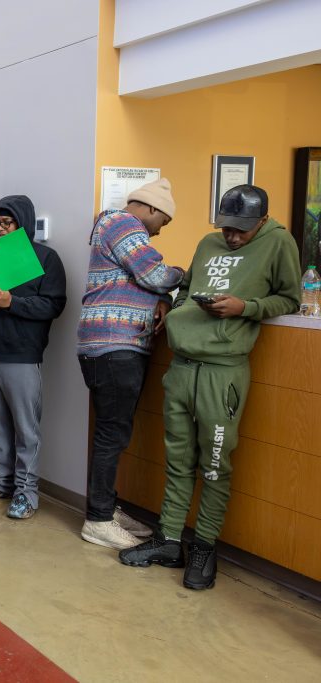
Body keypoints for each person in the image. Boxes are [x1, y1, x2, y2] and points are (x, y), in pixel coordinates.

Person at [119, 185, 300, 590]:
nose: (232, 236)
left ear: (263, 222)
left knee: (215, 465)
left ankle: (203, 547)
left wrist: (245, 307)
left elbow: (289, 299)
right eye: (227, 228)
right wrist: (177, 305)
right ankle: (168, 542)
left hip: (223, 373)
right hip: (182, 367)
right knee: (178, 460)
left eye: (241, 231)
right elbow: (186, 289)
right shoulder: (207, 243)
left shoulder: (278, 243)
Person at [77, 177, 185, 550]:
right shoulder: (124, 224)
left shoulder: (110, 225)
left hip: (105, 346)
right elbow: (155, 274)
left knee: (111, 432)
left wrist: (165, 300)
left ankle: (105, 506)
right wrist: (184, 277)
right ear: (151, 209)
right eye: (163, 223)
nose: (158, 233)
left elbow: (146, 282)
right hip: (115, 346)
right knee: (112, 434)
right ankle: (99, 520)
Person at [0, 195, 67, 519]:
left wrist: (13, 303)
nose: (1, 228)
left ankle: (26, 493)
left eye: (8, 223)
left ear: (23, 223)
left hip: (20, 357)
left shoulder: (46, 258)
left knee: (26, 429)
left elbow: (54, 305)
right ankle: (0, 481)